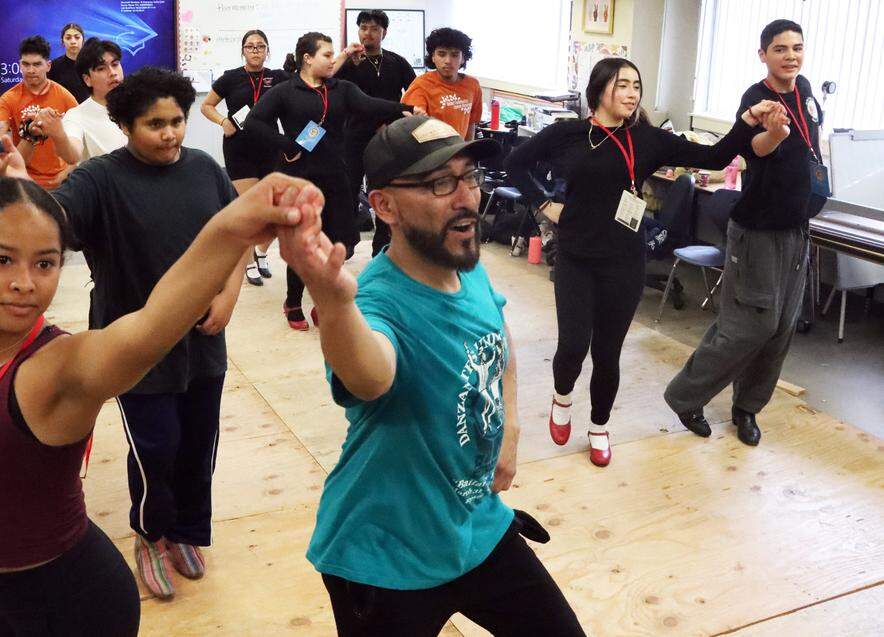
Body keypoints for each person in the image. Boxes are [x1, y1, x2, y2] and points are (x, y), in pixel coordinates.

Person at [0, 128, 320, 635]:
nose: (26, 282)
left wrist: (232, 228)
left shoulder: (60, 369)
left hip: (79, 607)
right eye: (2, 260)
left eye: (45, 263)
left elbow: (150, 326)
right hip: (6, 600)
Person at [279, 115, 586, 636]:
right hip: (385, 557)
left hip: (476, 527)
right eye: (440, 183)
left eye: (469, 177)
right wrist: (332, 301)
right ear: (384, 206)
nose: (466, 197)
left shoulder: (465, 262)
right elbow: (370, 376)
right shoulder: (378, 300)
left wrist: (510, 420)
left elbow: (498, 329)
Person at [504, 58, 784, 467]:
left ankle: (599, 427)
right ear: (599, 89)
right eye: (623, 85)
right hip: (577, 256)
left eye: (637, 85)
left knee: (607, 352)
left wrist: (746, 120)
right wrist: (545, 203)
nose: (632, 93)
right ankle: (562, 396)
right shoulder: (568, 134)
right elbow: (514, 163)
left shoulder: (648, 140)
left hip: (624, 259)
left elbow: (717, 154)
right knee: (573, 346)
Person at [50, 66, 244, 600]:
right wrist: (21, 186)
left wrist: (227, 296)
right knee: (155, 446)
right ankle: (150, 536)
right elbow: (56, 217)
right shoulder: (100, 178)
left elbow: (236, 236)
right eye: (155, 124)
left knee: (198, 443)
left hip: (203, 339)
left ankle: (184, 531)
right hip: (133, 344)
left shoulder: (205, 170)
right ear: (126, 125)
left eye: (177, 121)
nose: (170, 134)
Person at [665, 20, 816, 447]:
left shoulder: (804, 90)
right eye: (780, 49)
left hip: (796, 228)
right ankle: (685, 396)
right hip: (759, 230)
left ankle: (747, 408)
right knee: (749, 325)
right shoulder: (757, 99)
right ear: (763, 54)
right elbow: (755, 150)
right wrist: (775, 130)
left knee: (781, 326)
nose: (791, 56)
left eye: (797, 48)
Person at [245, 32, 416, 330]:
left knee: (337, 243)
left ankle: (322, 301)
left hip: (336, 175)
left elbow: (371, 105)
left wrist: (405, 109)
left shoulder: (342, 89)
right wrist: (287, 145)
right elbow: (255, 123)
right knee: (303, 242)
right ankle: (294, 301)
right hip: (300, 177)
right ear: (307, 58)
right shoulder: (287, 91)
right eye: (327, 54)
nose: (333, 59)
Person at [200, 29, 291, 286]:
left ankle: (260, 253)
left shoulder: (279, 77)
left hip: (270, 148)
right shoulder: (230, 78)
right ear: (243, 50)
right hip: (239, 149)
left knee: (275, 210)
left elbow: (298, 96)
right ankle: (247, 262)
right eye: (250, 46)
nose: (255, 50)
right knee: (251, 211)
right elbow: (206, 106)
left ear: (267, 50)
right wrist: (222, 121)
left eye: (260, 46)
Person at [334, 9, 418, 255]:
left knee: (383, 188)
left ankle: (381, 242)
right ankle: (347, 241)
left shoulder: (397, 62)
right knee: (349, 188)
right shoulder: (348, 62)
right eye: (363, 28)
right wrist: (346, 59)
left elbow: (413, 94)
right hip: (353, 135)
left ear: (384, 32)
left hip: (388, 135)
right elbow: (330, 86)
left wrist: (397, 120)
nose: (367, 34)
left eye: (373, 29)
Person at [0, 35, 79, 190]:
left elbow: (81, 143)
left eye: (37, 64)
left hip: (62, 181)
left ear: (48, 65)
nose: (31, 70)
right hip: (25, 179)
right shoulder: (8, 99)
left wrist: (67, 172)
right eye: (26, 64)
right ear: (20, 65)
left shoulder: (65, 96)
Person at [54, 37, 127, 164]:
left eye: (115, 65)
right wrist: (58, 134)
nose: (112, 73)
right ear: (87, 79)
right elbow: (72, 155)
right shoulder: (76, 116)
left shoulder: (142, 104)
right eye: (101, 68)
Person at [403, 28, 482, 142]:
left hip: (459, 152)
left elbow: (471, 123)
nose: (448, 61)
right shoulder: (421, 85)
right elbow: (412, 127)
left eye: (454, 55)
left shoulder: (472, 85)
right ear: (433, 57)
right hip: (432, 154)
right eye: (441, 54)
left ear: (463, 58)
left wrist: (468, 153)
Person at [47, 22, 90, 103]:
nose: (73, 41)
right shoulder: (54, 66)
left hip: (90, 112)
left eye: (77, 37)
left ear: (83, 40)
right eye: (68, 38)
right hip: (64, 113)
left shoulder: (92, 64)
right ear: (62, 41)